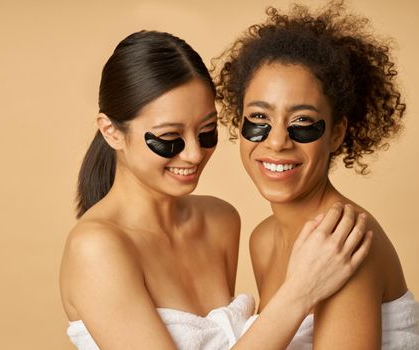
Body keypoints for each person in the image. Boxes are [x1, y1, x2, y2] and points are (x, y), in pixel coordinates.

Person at [60, 30, 372, 349]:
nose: (195, 154)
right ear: (111, 132)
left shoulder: (220, 221)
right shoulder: (96, 249)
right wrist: (300, 293)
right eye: (170, 137)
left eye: (207, 131)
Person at [214, 1, 419, 348]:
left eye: (303, 122)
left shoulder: (343, 239)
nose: (277, 141)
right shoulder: (263, 241)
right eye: (259, 118)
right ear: (239, 123)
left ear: (337, 133)